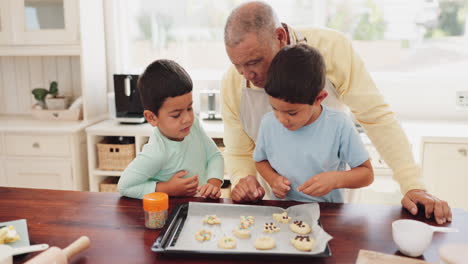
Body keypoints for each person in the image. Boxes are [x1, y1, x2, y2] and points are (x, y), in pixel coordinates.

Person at [222, 1, 451, 224]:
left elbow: (376, 118)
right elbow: (240, 151)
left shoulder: (332, 48)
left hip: (335, 208)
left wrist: (412, 184)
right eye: (237, 65)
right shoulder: (233, 83)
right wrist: (245, 180)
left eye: (254, 62)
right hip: (278, 209)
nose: (246, 74)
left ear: (280, 36)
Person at [254, 44, 374, 202]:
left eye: (292, 112)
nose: (281, 119)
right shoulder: (268, 123)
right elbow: (260, 160)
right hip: (282, 213)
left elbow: (367, 174)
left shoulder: (339, 125)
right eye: (275, 108)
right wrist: (273, 179)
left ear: (319, 99)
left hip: (327, 214)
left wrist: (335, 179)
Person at [118, 59, 224, 199]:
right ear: (152, 118)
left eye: (189, 108)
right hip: (171, 212)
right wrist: (167, 189)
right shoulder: (156, 153)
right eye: (176, 115)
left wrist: (213, 183)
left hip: (199, 206)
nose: (187, 118)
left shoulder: (194, 126)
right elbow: (125, 186)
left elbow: (214, 156)